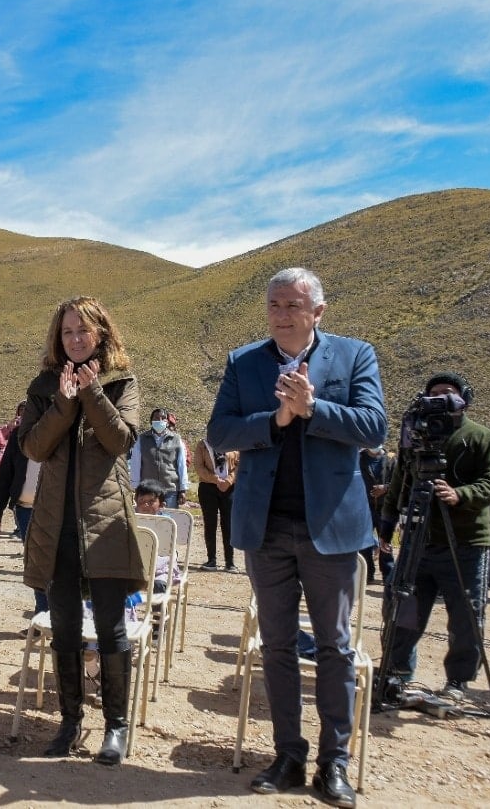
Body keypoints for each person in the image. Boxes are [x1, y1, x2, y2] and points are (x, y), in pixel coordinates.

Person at [207, 267, 386, 807]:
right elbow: (221, 431)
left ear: (318, 313)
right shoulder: (244, 362)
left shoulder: (355, 356)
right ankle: (288, 753)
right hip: (266, 527)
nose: (282, 314)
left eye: (293, 306)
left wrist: (315, 409)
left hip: (329, 528)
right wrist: (278, 419)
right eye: (275, 305)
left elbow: (374, 427)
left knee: (333, 646)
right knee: (278, 645)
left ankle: (335, 763)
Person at [21, 296, 147, 766]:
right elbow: (33, 447)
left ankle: (115, 727)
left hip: (106, 520)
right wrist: (63, 402)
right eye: (68, 332)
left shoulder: (121, 383)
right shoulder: (42, 386)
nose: (75, 339)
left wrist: (91, 394)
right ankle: (70, 722)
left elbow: (120, 440)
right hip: (57, 524)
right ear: (59, 338)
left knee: (112, 627)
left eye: (84, 331)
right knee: (66, 627)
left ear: (102, 335)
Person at [380, 372, 490, 704]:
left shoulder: (482, 438)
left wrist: (460, 494)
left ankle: (458, 682)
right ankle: (396, 674)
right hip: (418, 540)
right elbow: (399, 485)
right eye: (434, 394)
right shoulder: (415, 439)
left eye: (448, 394)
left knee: (465, 615)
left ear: (464, 399)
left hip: (465, 542)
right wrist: (387, 528)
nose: (441, 400)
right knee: (403, 609)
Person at [0, 421, 46, 612]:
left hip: (53, 510)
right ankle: (42, 616)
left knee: (51, 563)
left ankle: (54, 619)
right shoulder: (19, 435)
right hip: (24, 509)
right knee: (36, 563)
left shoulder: (63, 431)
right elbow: (5, 474)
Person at [128, 408, 189, 508]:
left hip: (170, 490)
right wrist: (136, 488)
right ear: (151, 420)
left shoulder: (176, 439)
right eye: (156, 418)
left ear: (167, 421)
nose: (160, 420)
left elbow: (182, 466)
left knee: (169, 519)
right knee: (150, 520)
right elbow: (135, 464)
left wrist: (183, 489)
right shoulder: (141, 439)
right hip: (148, 489)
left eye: (163, 418)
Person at [193, 437, 237, 570]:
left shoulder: (234, 442)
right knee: (210, 523)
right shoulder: (202, 445)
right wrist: (215, 479)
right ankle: (211, 560)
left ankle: (230, 562)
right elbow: (199, 467)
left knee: (228, 524)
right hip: (208, 487)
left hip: (229, 488)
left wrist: (228, 481)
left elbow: (241, 464)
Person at [358, 447, 394, 584]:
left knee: (386, 540)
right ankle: (366, 574)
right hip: (363, 506)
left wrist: (385, 488)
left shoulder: (391, 459)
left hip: (385, 507)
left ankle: (388, 574)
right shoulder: (358, 458)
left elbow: (400, 482)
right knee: (364, 543)